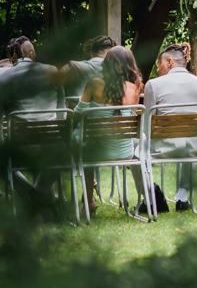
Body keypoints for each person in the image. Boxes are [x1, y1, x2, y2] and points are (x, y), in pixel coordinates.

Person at [142, 42, 197, 212]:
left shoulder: (153, 85)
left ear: (169, 62)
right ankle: (182, 195)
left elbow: (146, 125)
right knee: (190, 139)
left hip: (163, 148)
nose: (158, 69)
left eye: (160, 64)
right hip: (196, 148)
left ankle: (150, 196)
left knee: (137, 146)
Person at [75, 46, 143, 216]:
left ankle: (89, 200)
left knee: (81, 145)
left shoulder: (94, 84)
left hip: (95, 151)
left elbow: (78, 114)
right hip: (125, 152)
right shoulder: (135, 88)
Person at [0, 37, 65, 207]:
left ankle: (31, 196)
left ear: (12, 58)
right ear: (32, 54)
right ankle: (40, 198)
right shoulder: (53, 72)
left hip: (21, 147)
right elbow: (61, 111)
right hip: (54, 145)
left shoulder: (3, 78)